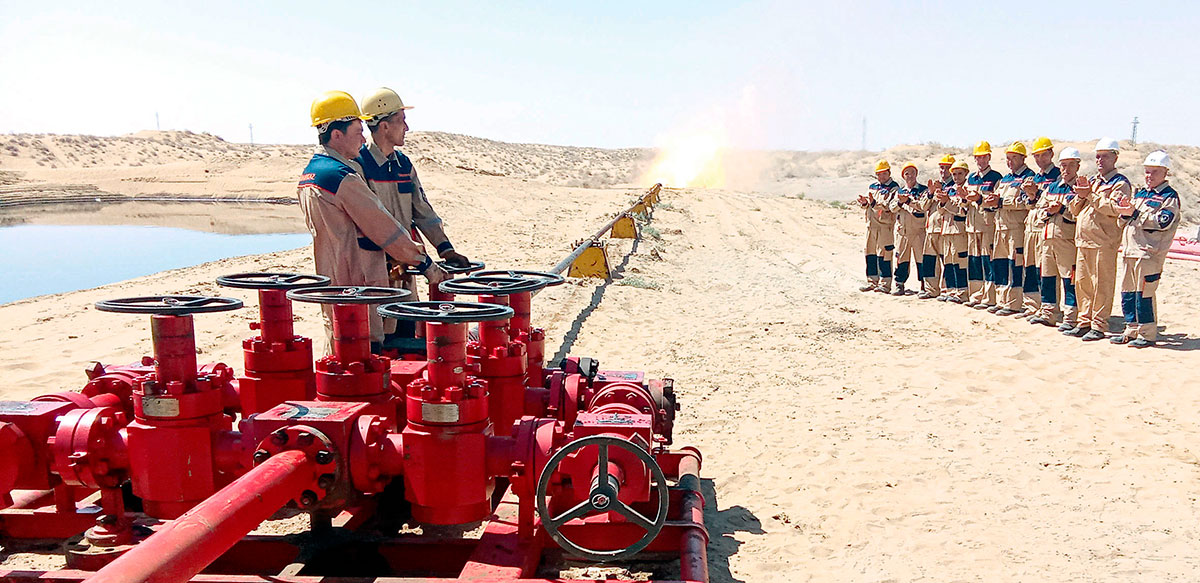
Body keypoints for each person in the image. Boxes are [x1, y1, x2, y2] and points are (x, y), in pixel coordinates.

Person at [297, 90, 449, 350]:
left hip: (336, 283)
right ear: (336, 134)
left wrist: (444, 247)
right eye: (358, 131)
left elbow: (420, 209)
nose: (363, 136)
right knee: (368, 352)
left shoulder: (310, 175)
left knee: (340, 347)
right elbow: (383, 229)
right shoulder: (343, 176)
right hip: (361, 283)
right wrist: (426, 265)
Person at [355, 87, 470, 339]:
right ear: (384, 126)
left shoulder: (403, 165)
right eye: (401, 121)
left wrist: (445, 248)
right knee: (380, 340)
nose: (406, 127)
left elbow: (423, 211)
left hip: (407, 269)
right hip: (375, 274)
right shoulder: (359, 166)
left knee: (407, 334)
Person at [1111, 150, 1181, 347]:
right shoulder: (1141, 193)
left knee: (1144, 294)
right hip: (1130, 250)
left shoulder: (1169, 197)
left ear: (1165, 172)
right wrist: (1124, 212)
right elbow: (1124, 221)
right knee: (1128, 293)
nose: (1149, 176)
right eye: (1147, 172)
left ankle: (1147, 333)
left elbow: (1162, 222)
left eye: (1154, 172)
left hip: (1149, 253)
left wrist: (1135, 213)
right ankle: (1131, 329)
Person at [1064, 137, 1131, 341]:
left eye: (1104, 156)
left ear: (1115, 158)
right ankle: (1085, 321)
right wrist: (1081, 195)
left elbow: (1113, 208)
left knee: (1102, 284)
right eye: (1097, 157)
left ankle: (1099, 324)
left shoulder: (1120, 183)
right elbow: (1074, 210)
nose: (1100, 161)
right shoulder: (1093, 181)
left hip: (1104, 242)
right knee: (1083, 284)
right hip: (1083, 240)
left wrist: (1090, 195)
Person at [1031, 147, 1082, 328]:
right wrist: (1049, 211)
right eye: (1063, 166)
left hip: (1067, 240)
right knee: (1047, 278)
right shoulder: (1053, 187)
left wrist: (1062, 210)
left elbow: (1080, 214)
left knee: (1069, 279)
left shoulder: (1080, 188)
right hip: (1047, 238)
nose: (1066, 170)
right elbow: (1039, 209)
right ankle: (1049, 313)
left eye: (1070, 166)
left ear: (1077, 166)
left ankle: (1070, 317)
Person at [990, 142, 1035, 316]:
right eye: (1008, 158)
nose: (1010, 162)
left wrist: (1002, 203)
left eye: (1014, 158)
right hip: (1000, 227)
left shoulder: (1028, 177)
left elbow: (1025, 202)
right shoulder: (1004, 179)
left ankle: (1015, 303)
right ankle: (1002, 300)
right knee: (1000, 265)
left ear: (1023, 158)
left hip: (1016, 228)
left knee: (1015, 265)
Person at [1023, 137, 1061, 318]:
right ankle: (1032, 306)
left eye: (1043, 155)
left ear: (1051, 154)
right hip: (1031, 227)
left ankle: (1049, 309)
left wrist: (1036, 194)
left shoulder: (1058, 177)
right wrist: (1030, 196)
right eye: (1036, 156)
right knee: (1029, 268)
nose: (1040, 159)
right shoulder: (1035, 177)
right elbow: (1028, 204)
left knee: (1044, 271)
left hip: (1046, 228)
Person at [965, 142, 1002, 309]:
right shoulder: (971, 178)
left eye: (984, 157)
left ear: (989, 157)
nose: (981, 160)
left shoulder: (996, 177)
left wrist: (979, 199)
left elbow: (995, 203)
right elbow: (964, 201)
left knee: (989, 261)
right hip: (971, 226)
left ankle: (990, 297)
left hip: (987, 225)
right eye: (978, 157)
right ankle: (976, 295)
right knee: (974, 262)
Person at [857, 160, 899, 293]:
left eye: (884, 174)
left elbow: (889, 206)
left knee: (885, 255)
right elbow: (869, 204)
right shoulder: (873, 186)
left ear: (889, 173)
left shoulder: (894, 188)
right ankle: (872, 281)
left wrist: (874, 203)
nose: (882, 177)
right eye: (879, 174)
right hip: (871, 225)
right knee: (870, 253)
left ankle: (885, 284)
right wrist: (864, 203)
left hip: (885, 226)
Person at [917, 155, 954, 299]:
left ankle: (946, 290)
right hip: (931, 229)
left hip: (945, 229)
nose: (944, 171)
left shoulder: (953, 187)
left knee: (947, 262)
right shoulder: (934, 186)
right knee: (930, 262)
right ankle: (931, 289)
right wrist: (931, 193)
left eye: (947, 168)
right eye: (942, 167)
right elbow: (922, 206)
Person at [889, 162, 928, 296]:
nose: (910, 176)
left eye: (912, 172)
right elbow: (892, 208)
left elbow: (924, 207)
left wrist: (909, 201)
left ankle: (924, 285)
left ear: (916, 174)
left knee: (921, 259)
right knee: (901, 259)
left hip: (919, 230)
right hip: (903, 232)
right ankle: (899, 285)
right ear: (903, 176)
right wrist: (900, 201)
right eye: (907, 173)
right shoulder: (899, 191)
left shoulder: (923, 190)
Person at [935, 160, 971, 303]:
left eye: (959, 173)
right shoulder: (950, 189)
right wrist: (944, 202)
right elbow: (940, 210)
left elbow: (962, 211)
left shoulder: (966, 189)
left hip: (959, 230)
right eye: (954, 174)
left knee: (960, 262)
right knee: (949, 262)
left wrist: (947, 203)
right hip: (947, 230)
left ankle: (962, 291)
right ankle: (951, 290)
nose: (956, 177)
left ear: (966, 174)